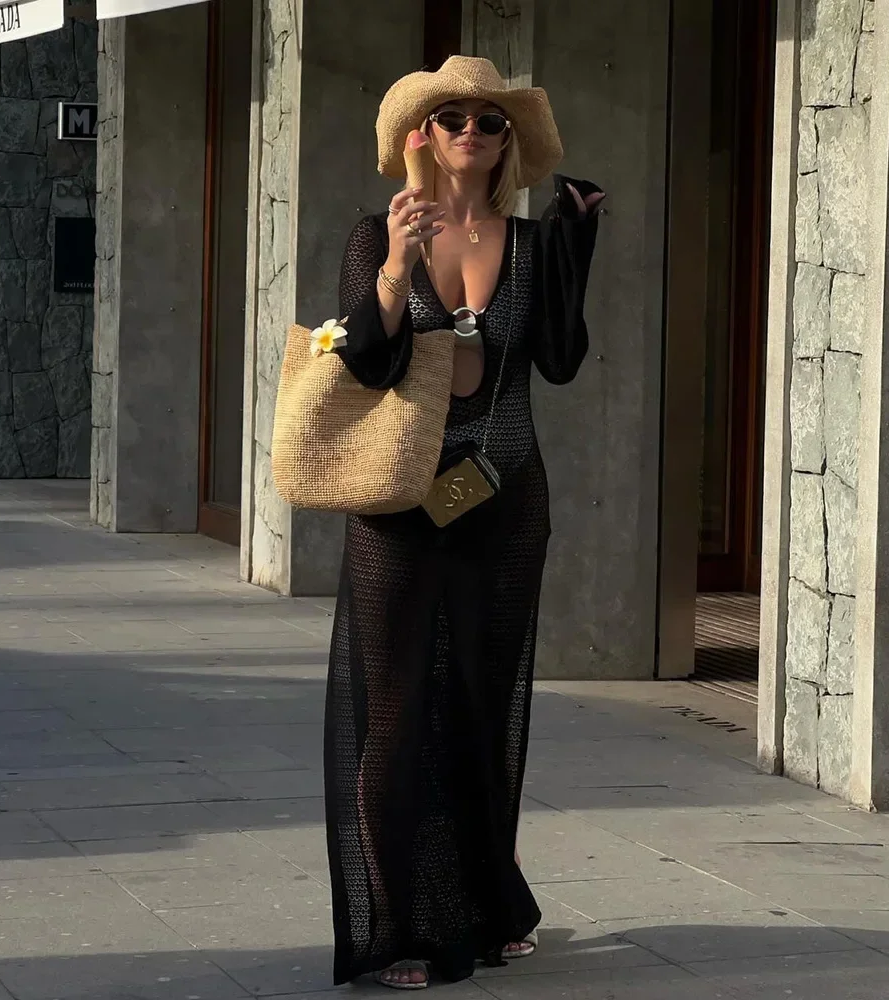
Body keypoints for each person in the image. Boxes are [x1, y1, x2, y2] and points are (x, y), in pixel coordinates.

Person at [324, 55, 604, 990]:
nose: (472, 133)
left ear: (507, 140)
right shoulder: (381, 230)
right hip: (400, 503)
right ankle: (397, 925)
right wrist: (402, 264)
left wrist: (574, 250)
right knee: (396, 714)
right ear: (424, 135)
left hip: (507, 494)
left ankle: (488, 900)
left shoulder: (526, 245)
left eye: (489, 121)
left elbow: (559, 362)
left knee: (487, 709)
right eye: (452, 119)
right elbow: (365, 361)